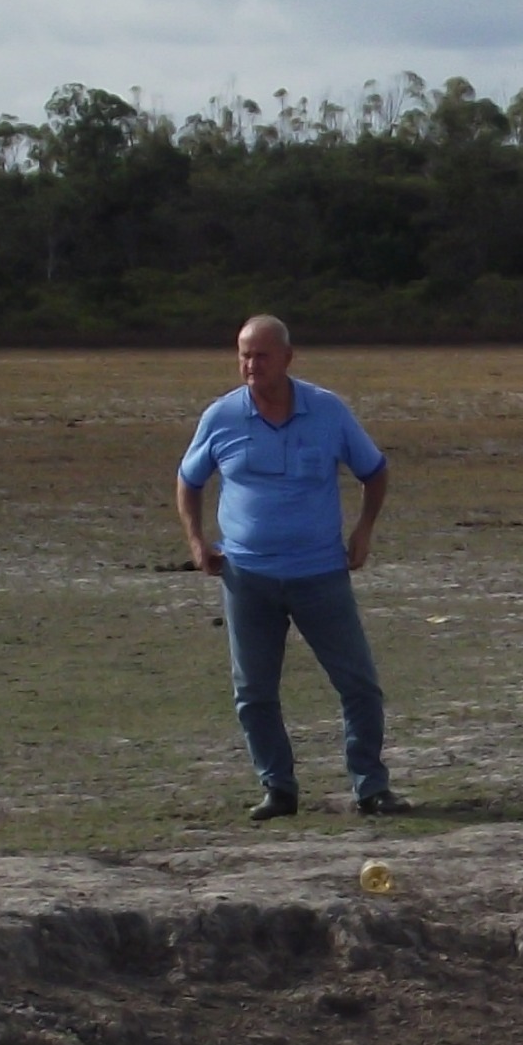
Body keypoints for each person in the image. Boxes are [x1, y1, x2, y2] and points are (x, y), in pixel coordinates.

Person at [173, 311, 403, 818]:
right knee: (253, 690)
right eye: (243, 355)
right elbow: (188, 480)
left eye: (260, 355)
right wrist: (196, 542)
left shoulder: (327, 411)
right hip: (247, 577)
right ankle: (278, 788)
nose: (250, 365)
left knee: (358, 683)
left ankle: (370, 785)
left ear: (287, 358)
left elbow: (374, 470)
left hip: (320, 572)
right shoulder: (221, 417)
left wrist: (363, 530)